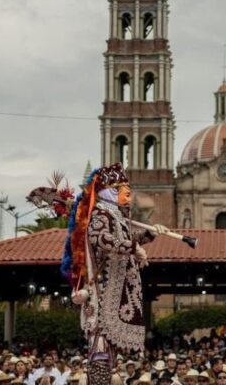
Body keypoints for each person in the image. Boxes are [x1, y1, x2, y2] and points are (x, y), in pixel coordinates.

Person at [66, 163, 170, 385]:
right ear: (109, 191)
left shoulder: (116, 216)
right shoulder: (100, 215)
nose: (127, 196)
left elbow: (129, 239)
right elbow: (100, 238)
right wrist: (134, 248)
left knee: (109, 355)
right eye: (123, 191)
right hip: (103, 292)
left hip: (117, 292)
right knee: (100, 352)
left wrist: (150, 234)